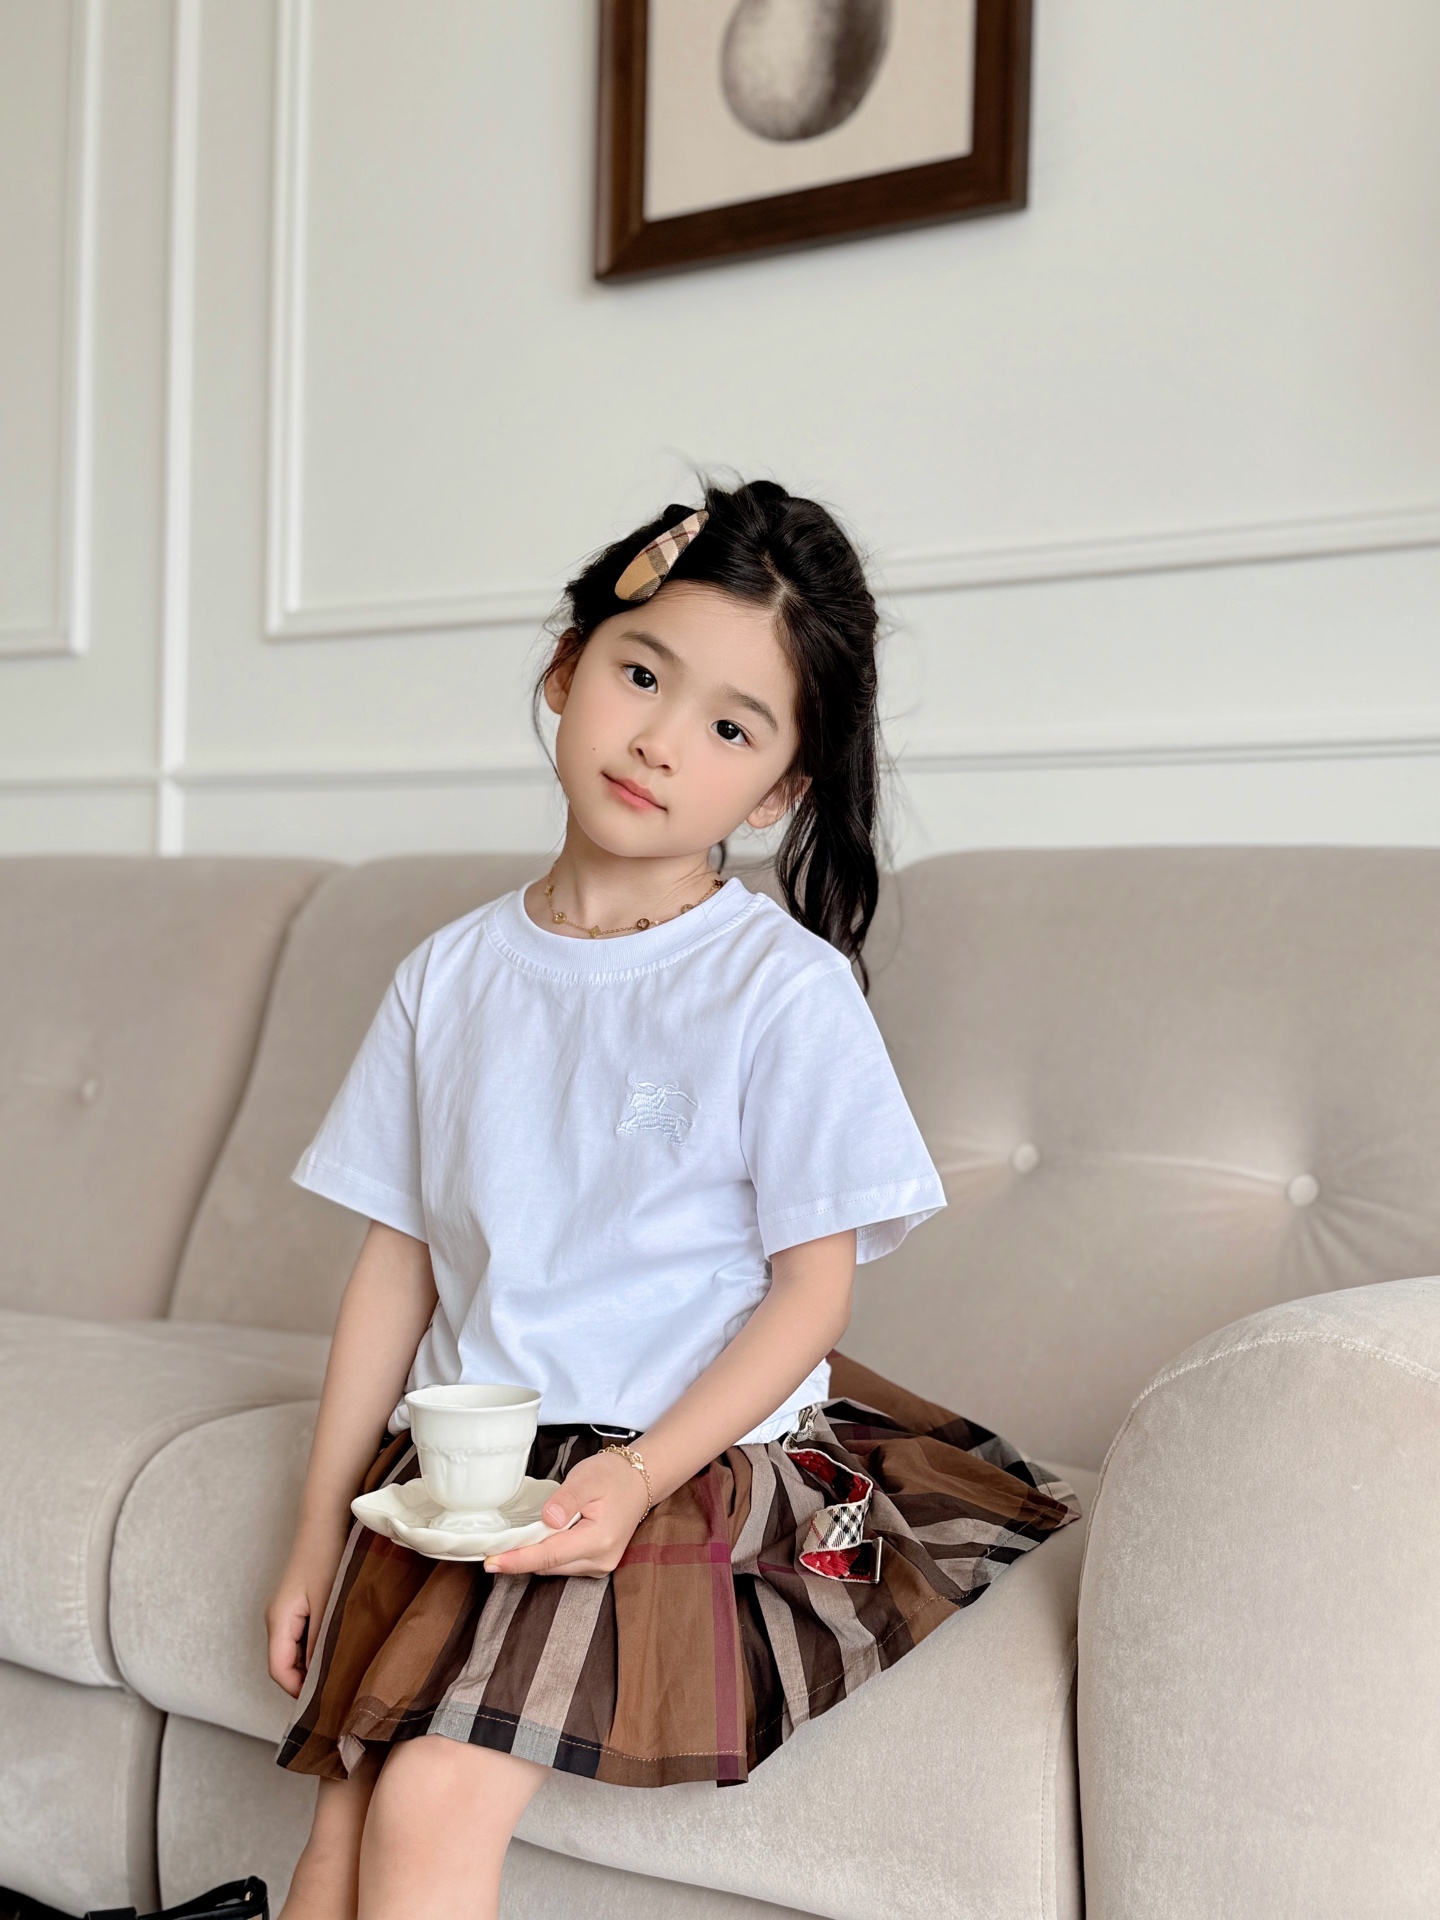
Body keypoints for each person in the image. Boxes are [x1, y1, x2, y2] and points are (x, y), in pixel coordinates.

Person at [265, 479, 1078, 1920]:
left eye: (731, 727)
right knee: (335, 1827)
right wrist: (319, 1529)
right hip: (475, 1462)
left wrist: (636, 1477)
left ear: (775, 794)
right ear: (564, 668)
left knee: (432, 1799)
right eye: (641, 676)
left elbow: (812, 1295)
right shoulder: (447, 976)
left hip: (675, 1454)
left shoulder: (781, 992)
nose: (658, 740)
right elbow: (398, 1265)